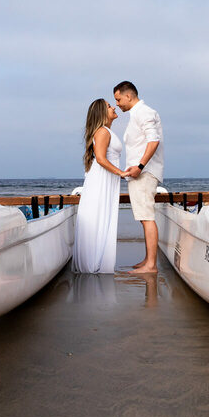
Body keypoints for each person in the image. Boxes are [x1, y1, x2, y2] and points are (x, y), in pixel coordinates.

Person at [114, 81, 164, 274]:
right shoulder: (136, 114)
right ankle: (147, 260)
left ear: (128, 96)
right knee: (144, 217)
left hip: (144, 173)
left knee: (147, 217)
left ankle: (151, 265)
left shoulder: (144, 112)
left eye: (118, 99)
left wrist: (140, 166)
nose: (117, 103)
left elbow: (154, 141)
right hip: (140, 173)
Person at [73, 99, 127, 273]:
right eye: (109, 106)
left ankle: (97, 260)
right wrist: (121, 173)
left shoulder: (105, 131)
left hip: (105, 180)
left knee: (102, 215)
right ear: (102, 113)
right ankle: (93, 262)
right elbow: (101, 159)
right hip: (102, 180)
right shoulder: (103, 132)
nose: (114, 107)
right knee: (99, 215)